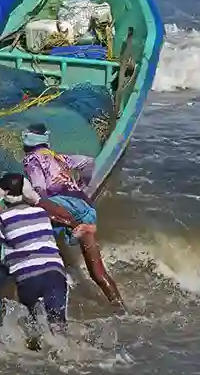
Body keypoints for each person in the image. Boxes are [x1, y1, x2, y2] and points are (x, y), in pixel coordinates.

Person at [20, 123, 125, 309]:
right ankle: (119, 305)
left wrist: (40, 204)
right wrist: (81, 185)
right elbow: (88, 162)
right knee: (97, 271)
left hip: (62, 206)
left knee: (34, 209)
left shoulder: (31, 159)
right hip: (84, 206)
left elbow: (40, 190)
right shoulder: (57, 156)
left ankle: (70, 230)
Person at [0, 173, 70, 340]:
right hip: (56, 274)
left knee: (34, 328)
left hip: (28, 278)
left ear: (1, 194)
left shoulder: (0, 218)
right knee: (59, 329)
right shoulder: (41, 212)